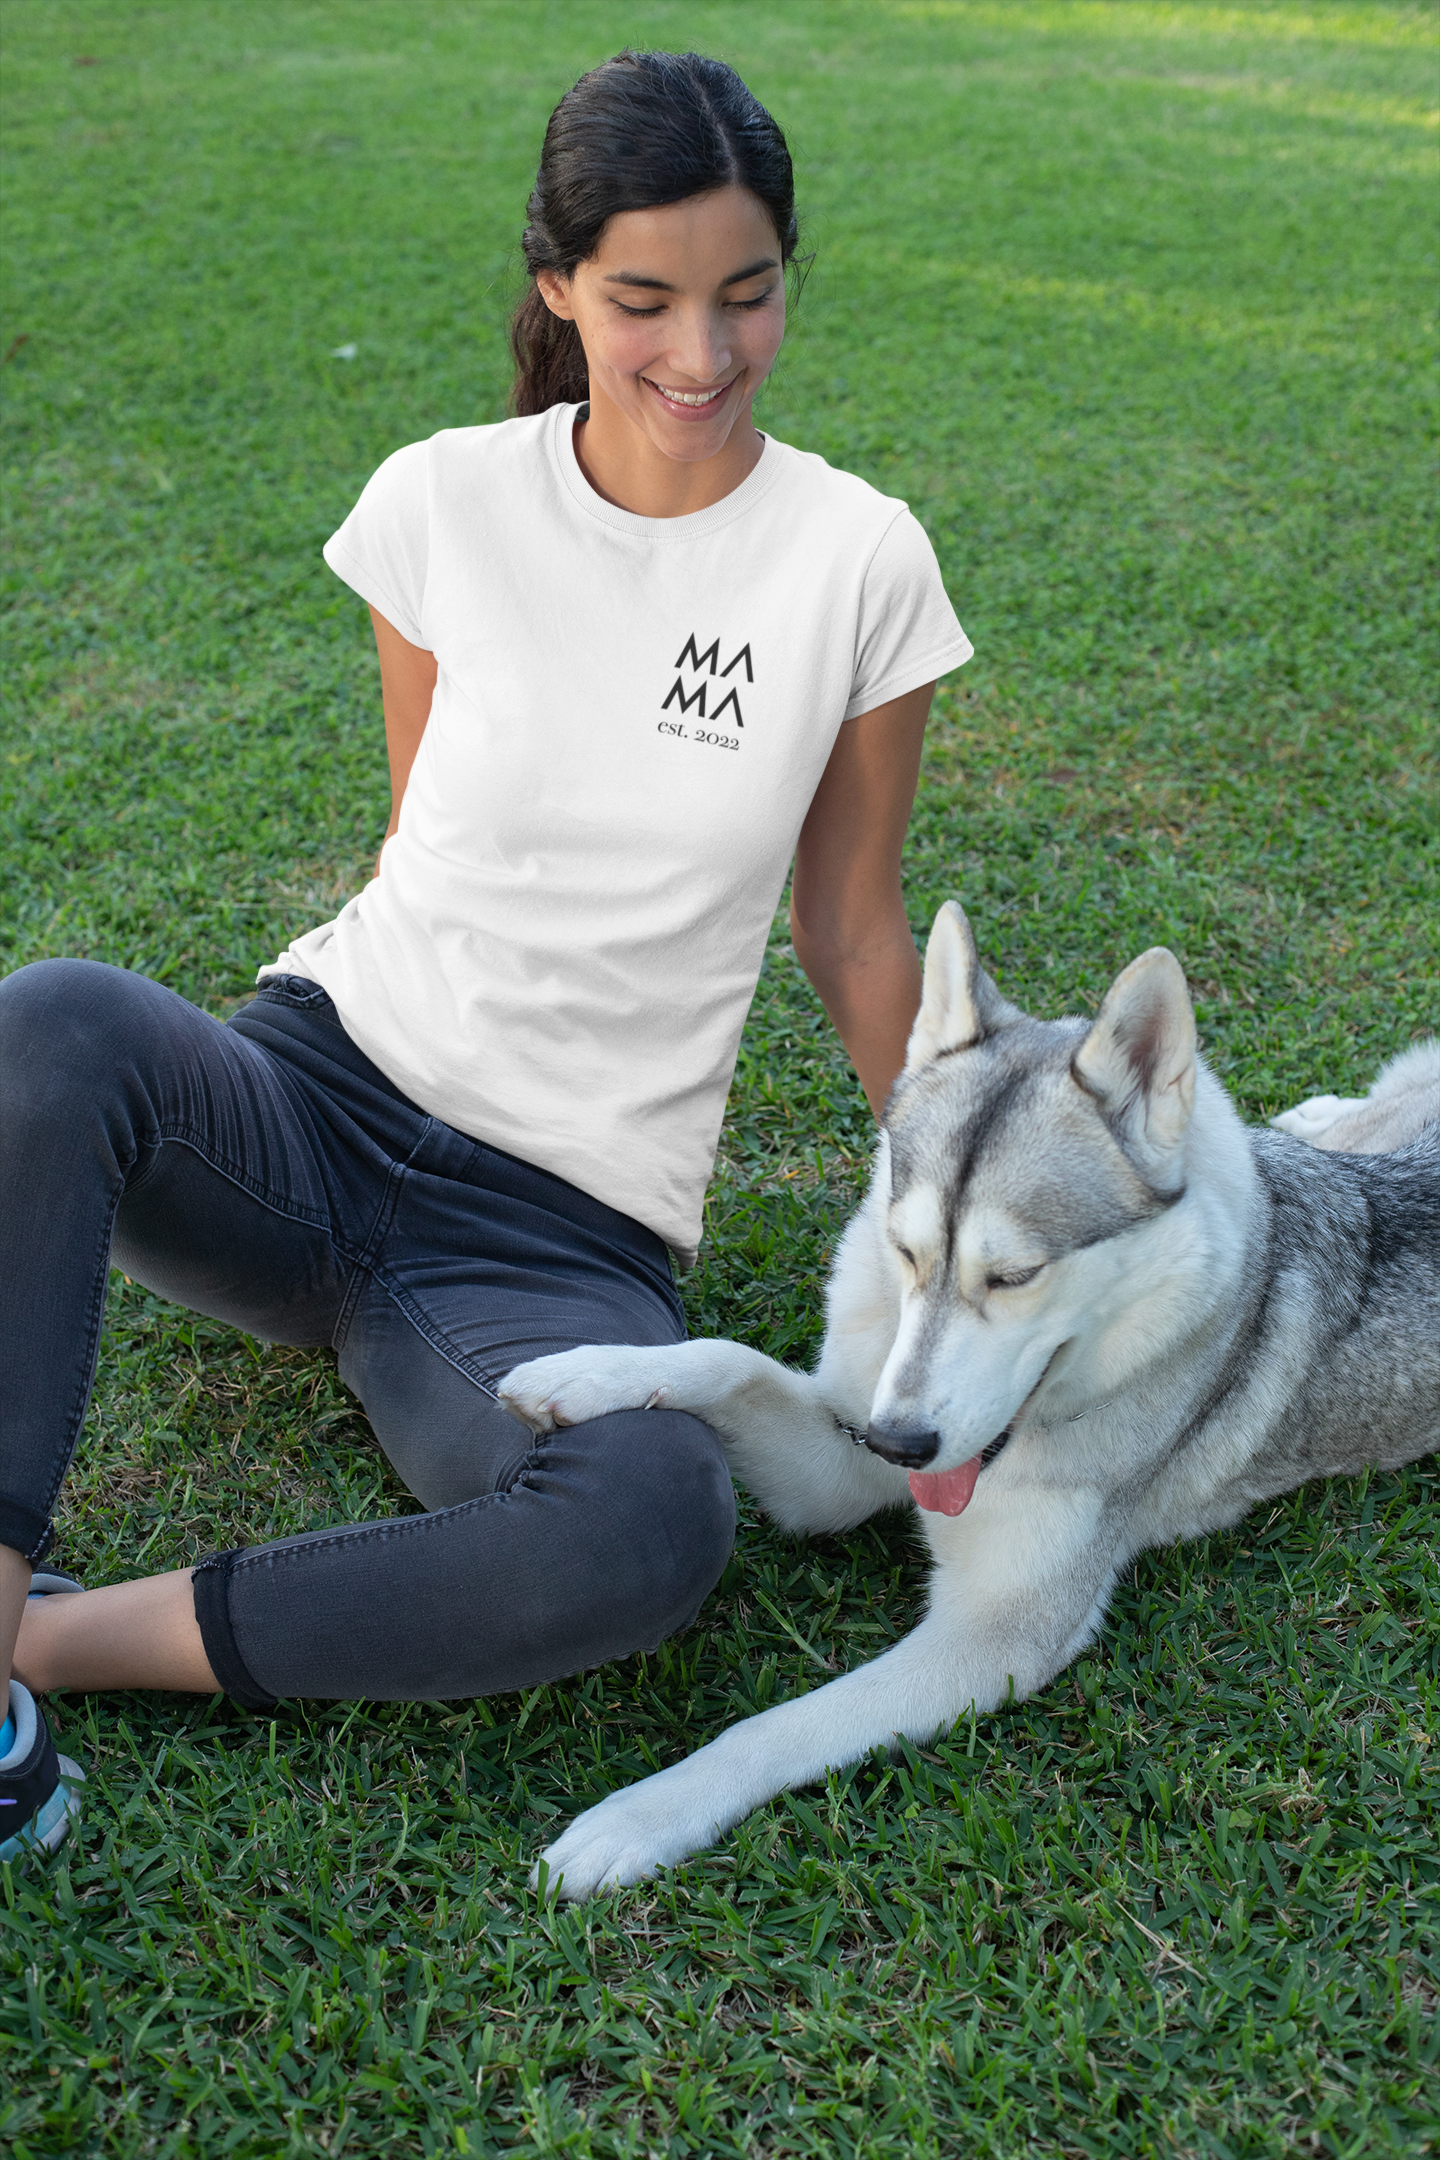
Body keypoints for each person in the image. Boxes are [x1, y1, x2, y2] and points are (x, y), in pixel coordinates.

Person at [0, 49, 972, 1860]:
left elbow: (851, 930)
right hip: (307, 1108)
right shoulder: (444, 499)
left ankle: (53, 1645)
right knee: (52, 1023)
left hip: (554, 1241)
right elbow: (424, 845)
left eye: (748, 293)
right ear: (559, 286)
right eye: (644, 300)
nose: (703, 352)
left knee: (649, 1521)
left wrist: (971, 1235)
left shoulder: (856, 561)